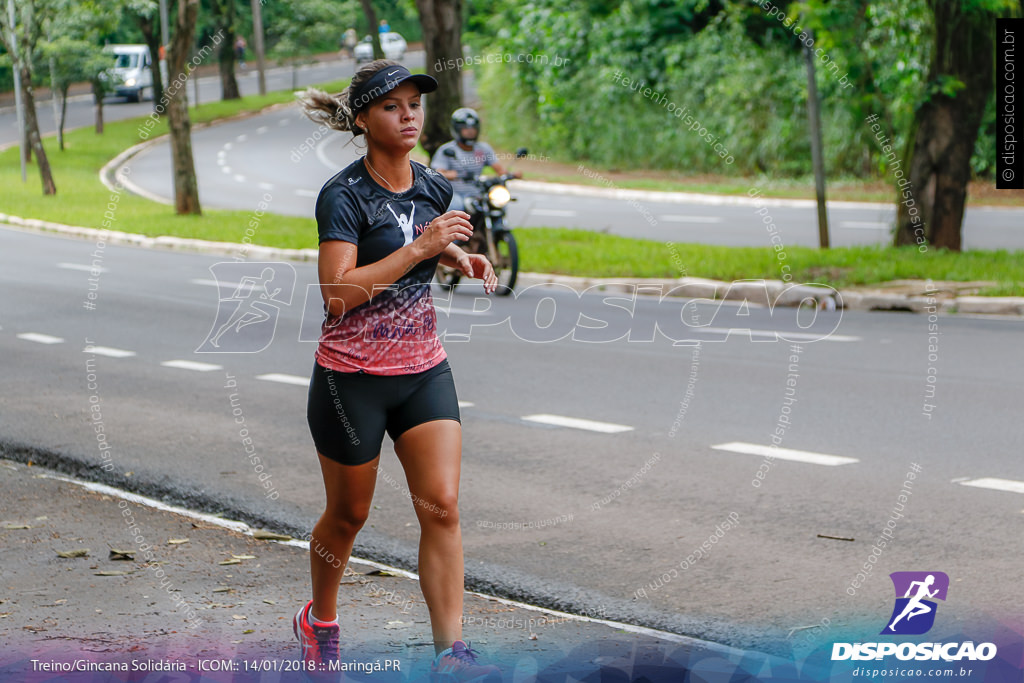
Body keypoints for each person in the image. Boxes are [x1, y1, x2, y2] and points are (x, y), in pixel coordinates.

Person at [296, 60, 501, 682]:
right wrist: (421, 250)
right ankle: (321, 620)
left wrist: (459, 257)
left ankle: (451, 650)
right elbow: (337, 292)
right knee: (348, 515)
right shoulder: (344, 194)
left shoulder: (434, 185)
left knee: (441, 506)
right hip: (350, 380)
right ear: (362, 119)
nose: (409, 115)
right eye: (392, 106)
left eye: (415, 104)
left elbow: (430, 238)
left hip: (422, 371)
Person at [430, 108, 522, 212]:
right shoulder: (447, 150)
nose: (470, 132)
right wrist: (455, 175)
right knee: (456, 206)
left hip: (478, 193)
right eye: (465, 129)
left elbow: (499, 170)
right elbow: (438, 173)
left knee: (498, 204)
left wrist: (511, 174)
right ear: (457, 129)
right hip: (456, 194)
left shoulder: (483, 149)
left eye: (473, 128)